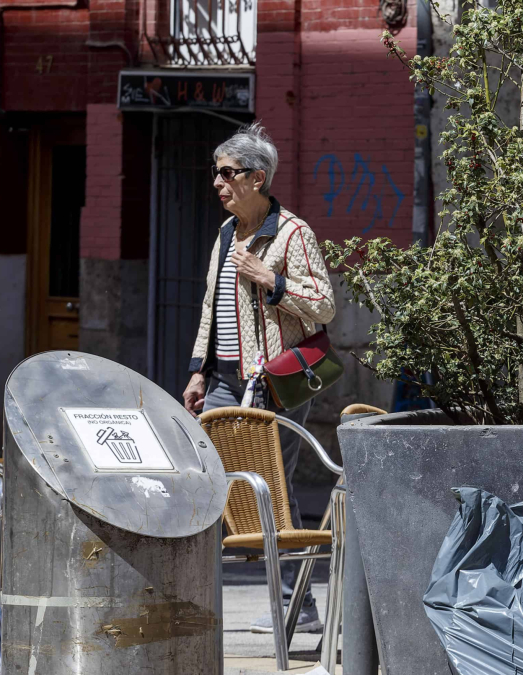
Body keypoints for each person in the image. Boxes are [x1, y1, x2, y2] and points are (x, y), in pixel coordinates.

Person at [183, 123, 335, 634]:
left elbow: (325, 307)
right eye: (216, 173)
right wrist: (198, 372)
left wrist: (271, 280)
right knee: (215, 484)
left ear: (257, 177)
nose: (218, 183)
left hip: (271, 382)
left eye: (227, 173)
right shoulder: (226, 234)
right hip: (224, 380)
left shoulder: (292, 233)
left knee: (274, 486)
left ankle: (299, 607)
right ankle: (208, 596)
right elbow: (211, 306)